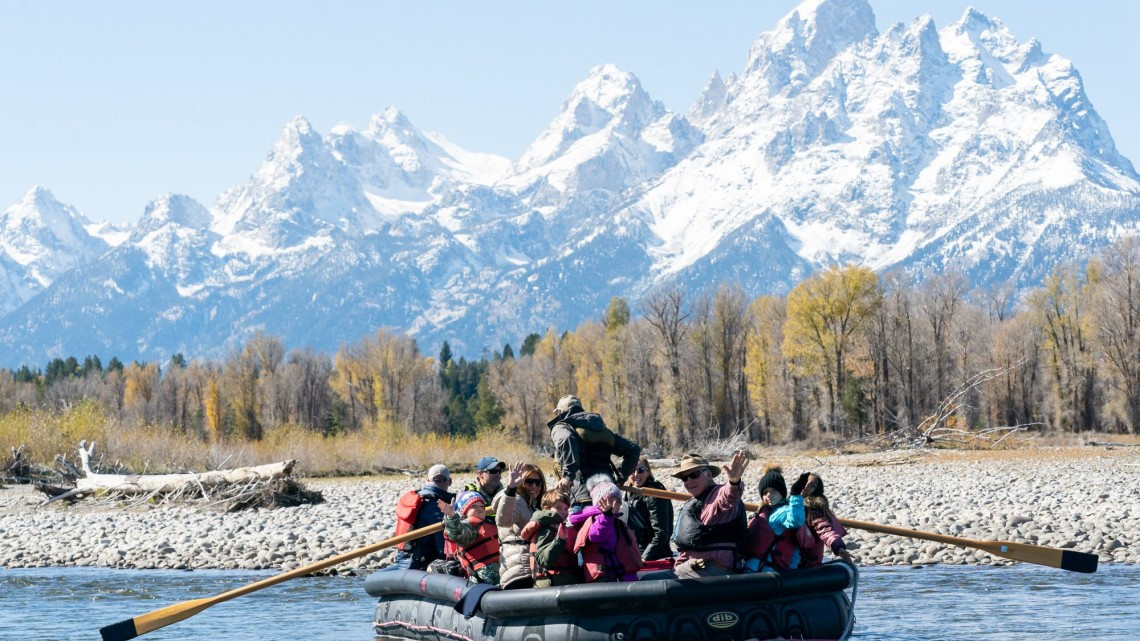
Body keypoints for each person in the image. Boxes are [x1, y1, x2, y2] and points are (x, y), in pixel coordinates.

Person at [650, 451, 749, 580]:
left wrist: (734, 482)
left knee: (646, 581)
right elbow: (689, 546)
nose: (689, 481)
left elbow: (729, 497)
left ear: (708, 474)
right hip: (694, 566)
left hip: (716, 569)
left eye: (694, 475)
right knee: (643, 579)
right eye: (685, 478)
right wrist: (679, 564)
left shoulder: (718, 496)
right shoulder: (695, 502)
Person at [548, 395, 641, 511]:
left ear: (560, 412)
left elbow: (566, 439)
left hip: (583, 498)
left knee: (582, 529)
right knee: (608, 527)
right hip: (608, 496)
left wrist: (568, 475)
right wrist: (620, 478)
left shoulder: (562, 426)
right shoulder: (602, 429)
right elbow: (633, 449)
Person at [382, 463, 454, 571]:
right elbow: (442, 544)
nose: (440, 483)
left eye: (442, 480)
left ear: (428, 480)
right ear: (450, 481)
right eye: (438, 480)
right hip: (418, 565)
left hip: (404, 559)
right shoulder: (437, 504)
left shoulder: (418, 498)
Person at [569, 477, 643, 582]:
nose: (616, 504)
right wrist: (606, 516)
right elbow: (594, 535)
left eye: (618, 500)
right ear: (601, 502)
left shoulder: (615, 521)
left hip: (623, 576)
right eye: (611, 499)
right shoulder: (599, 519)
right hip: (607, 578)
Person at [491, 461, 547, 589]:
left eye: (538, 482)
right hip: (519, 569)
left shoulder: (532, 505)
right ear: (520, 483)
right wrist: (511, 488)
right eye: (529, 481)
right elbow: (503, 520)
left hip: (530, 567)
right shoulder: (515, 500)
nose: (534, 486)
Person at [744, 465, 805, 573]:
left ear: (782, 493)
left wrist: (795, 495)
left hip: (771, 570)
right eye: (765, 492)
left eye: (773, 490)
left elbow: (797, 520)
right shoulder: (763, 511)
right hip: (755, 565)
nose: (769, 495)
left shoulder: (781, 512)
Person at [791, 471, 854, 567]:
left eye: (812, 485)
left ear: (815, 491)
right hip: (787, 557)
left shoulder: (814, 509)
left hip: (806, 562)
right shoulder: (788, 503)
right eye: (805, 482)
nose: (807, 485)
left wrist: (838, 547)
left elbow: (824, 529)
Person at [521, 490, 582, 587]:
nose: (564, 512)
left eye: (566, 509)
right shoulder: (548, 528)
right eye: (558, 507)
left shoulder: (557, 526)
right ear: (546, 509)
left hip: (561, 579)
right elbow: (543, 560)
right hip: (552, 580)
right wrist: (560, 540)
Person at [439, 491, 501, 585]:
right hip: (482, 578)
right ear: (464, 511)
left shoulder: (489, 523)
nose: (479, 509)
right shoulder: (468, 526)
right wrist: (451, 516)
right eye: (474, 506)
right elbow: (458, 533)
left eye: (481, 506)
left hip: (500, 571)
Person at [625, 456, 674, 561]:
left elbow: (661, 533)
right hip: (635, 548)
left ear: (648, 472)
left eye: (640, 470)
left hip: (652, 553)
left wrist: (644, 558)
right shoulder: (630, 491)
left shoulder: (655, 493)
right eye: (632, 471)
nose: (636, 474)